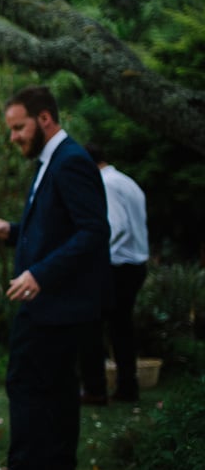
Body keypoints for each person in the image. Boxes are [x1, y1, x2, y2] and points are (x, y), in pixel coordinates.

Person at [0, 85, 109, 470]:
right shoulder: (55, 160)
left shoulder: (70, 162)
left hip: (50, 300)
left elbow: (92, 232)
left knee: (25, 387)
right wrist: (10, 229)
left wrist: (39, 275)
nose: (13, 137)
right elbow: (57, 226)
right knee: (61, 386)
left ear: (45, 119)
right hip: (57, 302)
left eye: (19, 127)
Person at [78, 143, 150, 404]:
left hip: (117, 265)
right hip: (136, 263)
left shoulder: (106, 184)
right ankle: (127, 387)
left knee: (91, 324)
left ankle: (95, 388)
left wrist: (95, 257)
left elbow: (115, 227)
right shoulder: (127, 181)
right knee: (121, 328)